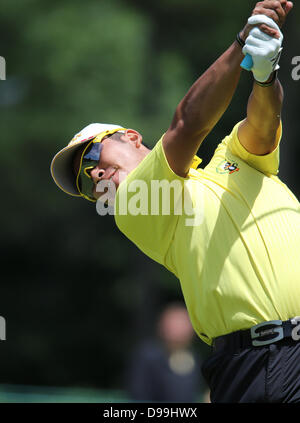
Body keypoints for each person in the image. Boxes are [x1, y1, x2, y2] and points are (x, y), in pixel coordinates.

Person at [50, 1, 300, 403]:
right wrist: (242, 45)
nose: (94, 176)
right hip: (256, 364)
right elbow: (188, 124)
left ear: (130, 137)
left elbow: (263, 126)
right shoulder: (135, 203)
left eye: (92, 158)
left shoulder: (231, 159)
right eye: (84, 182)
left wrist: (266, 76)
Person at [126, 303, 207, 403]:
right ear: (162, 326)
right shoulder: (148, 356)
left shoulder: (196, 358)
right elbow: (139, 394)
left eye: (183, 323)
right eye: (174, 323)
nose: (178, 329)